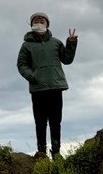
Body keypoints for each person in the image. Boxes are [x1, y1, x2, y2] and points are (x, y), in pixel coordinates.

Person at [16, 12, 78, 157]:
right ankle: (41, 153)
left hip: (56, 87)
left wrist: (71, 43)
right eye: (36, 20)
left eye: (42, 20)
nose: (39, 22)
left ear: (47, 24)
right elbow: (21, 65)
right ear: (31, 25)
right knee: (40, 123)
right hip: (38, 89)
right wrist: (33, 76)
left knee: (56, 122)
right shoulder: (26, 45)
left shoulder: (56, 42)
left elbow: (67, 59)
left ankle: (56, 153)